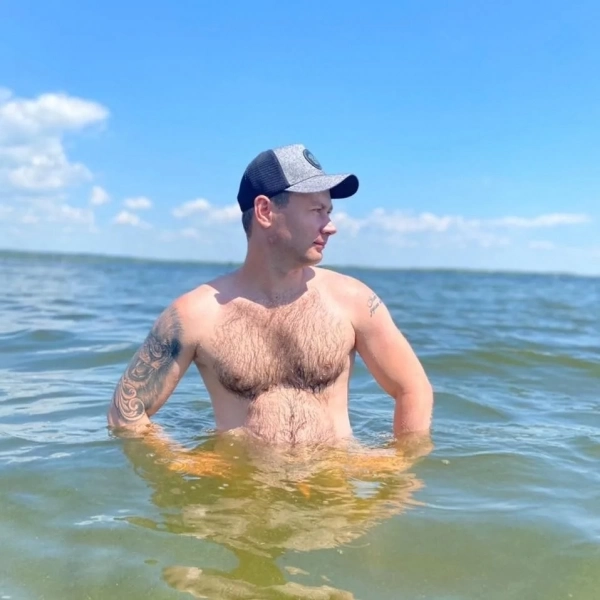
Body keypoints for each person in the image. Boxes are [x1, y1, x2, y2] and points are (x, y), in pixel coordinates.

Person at [107, 143, 434, 445]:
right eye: (317, 210)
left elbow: (412, 388)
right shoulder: (195, 314)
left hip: (333, 485)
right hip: (242, 489)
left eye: (329, 212)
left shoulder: (354, 300)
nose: (330, 226)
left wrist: (397, 466)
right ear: (264, 211)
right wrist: (185, 466)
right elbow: (125, 415)